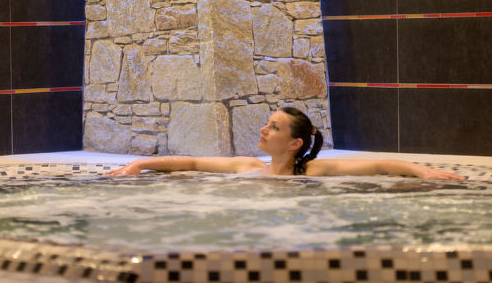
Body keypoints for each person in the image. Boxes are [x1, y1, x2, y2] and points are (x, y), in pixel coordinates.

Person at [106, 106, 465, 181]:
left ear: (294, 144)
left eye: (274, 127)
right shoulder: (248, 167)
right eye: (267, 123)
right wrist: (139, 164)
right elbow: (191, 163)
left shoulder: (311, 172)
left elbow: (380, 165)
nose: (263, 130)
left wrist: (423, 171)